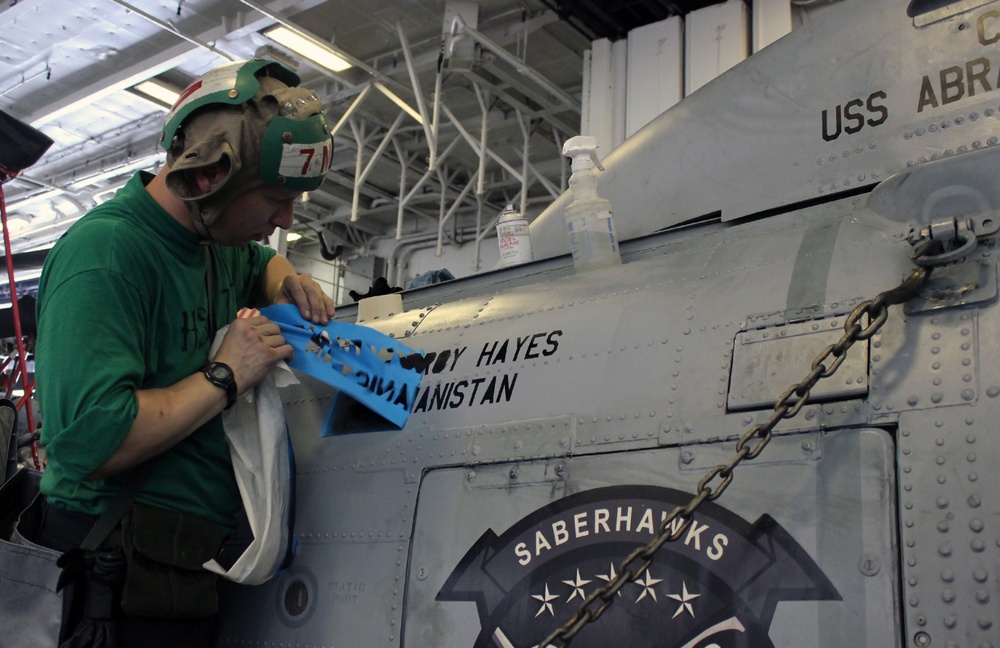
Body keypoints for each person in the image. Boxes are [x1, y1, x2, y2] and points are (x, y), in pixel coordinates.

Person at [32, 59, 335, 647]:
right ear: (205, 179)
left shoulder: (214, 240)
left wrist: (285, 279)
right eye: (274, 198)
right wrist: (227, 375)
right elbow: (91, 437)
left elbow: (257, 263)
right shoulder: (106, 255)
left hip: (177, 570)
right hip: (109, 581)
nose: (285, 220)